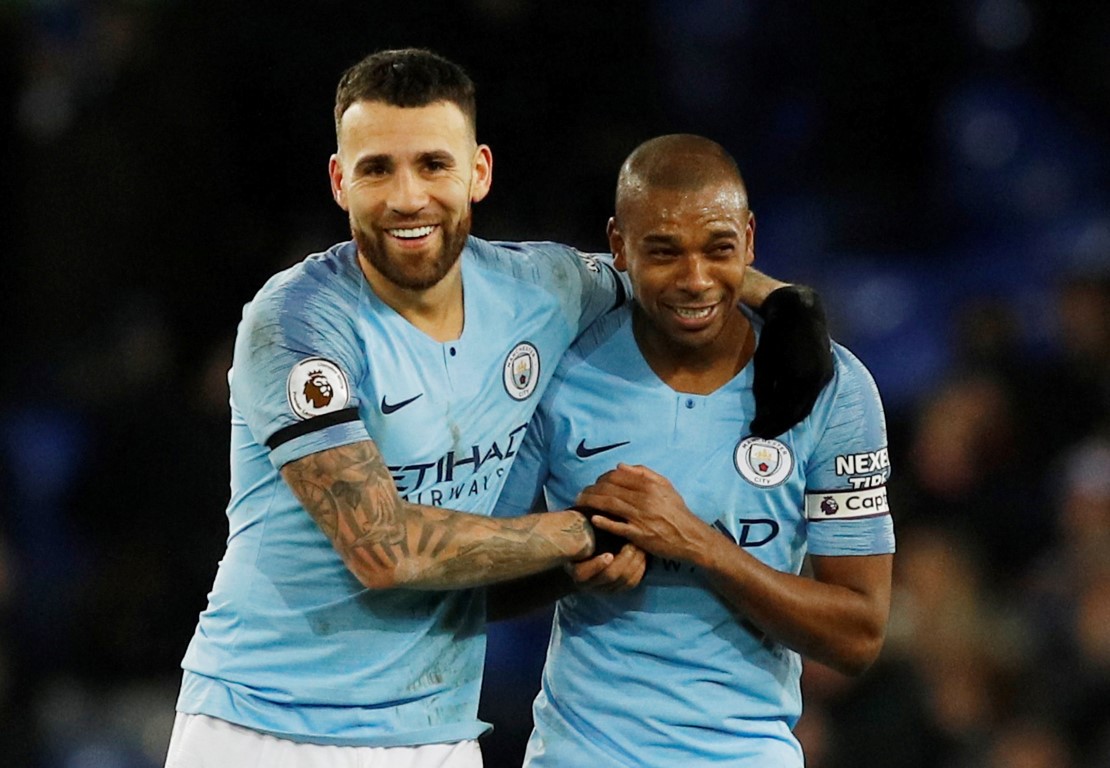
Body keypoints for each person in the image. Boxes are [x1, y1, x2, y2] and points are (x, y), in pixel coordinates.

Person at [164, 49, 832, 767]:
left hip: (436, 734)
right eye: (376, 169)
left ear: (478, 171)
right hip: (264, 728)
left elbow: (666, 266)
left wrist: (782, 302)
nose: (408, 197)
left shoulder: (539, 287)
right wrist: (581, 534)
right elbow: (381, 547)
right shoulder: (297, 321)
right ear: (339, 181)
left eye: (432, 165)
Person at [492, 134, 895, 767]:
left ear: (751, 240)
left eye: (719, 249)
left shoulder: (831, 388)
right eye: (664, 252)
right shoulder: (559, 370)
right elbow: (481, 584)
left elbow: (859, 634)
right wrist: (570, 557)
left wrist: (698, 545)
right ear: (618, 246)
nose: (696, 279)